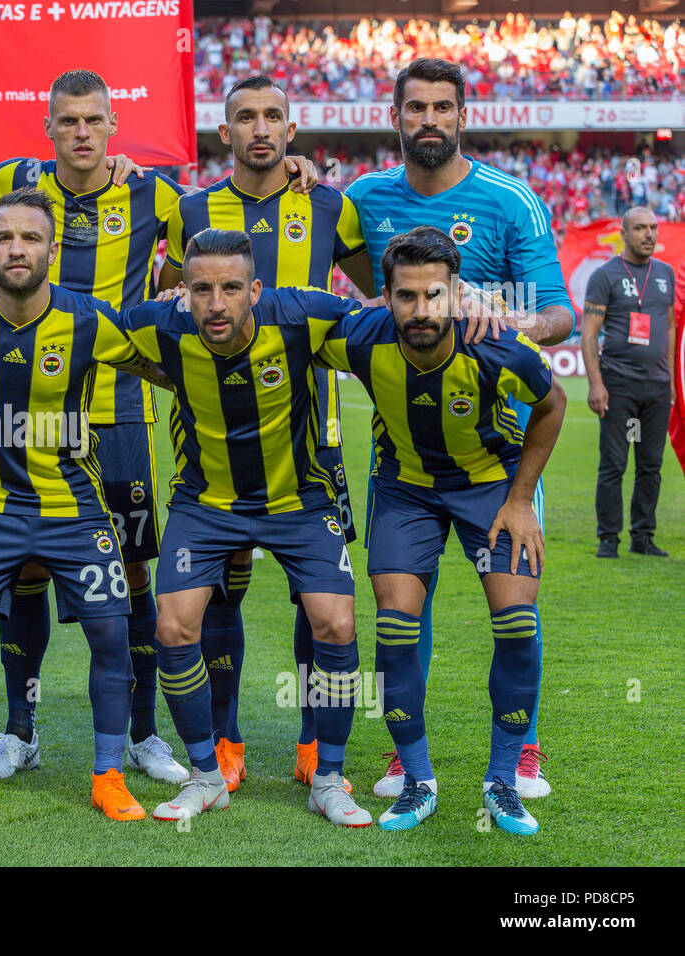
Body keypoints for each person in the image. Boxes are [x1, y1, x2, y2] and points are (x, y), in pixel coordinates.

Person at [345, 58, 576, 799]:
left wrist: (510, 321)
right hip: (404, 458)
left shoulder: (511, 202)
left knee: (514, 616)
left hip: (497, 457)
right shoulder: (364, 197)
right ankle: (404, 755)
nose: (431, 120)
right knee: (400, 612)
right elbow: (321, 260)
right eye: (417, 108)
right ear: (396, 118)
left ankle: (523, 747)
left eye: (444, 107)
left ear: (463, 116)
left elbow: (559, 313)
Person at [0, 188, 171, 821]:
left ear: (52, 251)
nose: (17, 248)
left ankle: (109, 772)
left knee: (112, 633)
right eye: (3, 238)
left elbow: (172, 369)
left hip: (75, 507)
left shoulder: (90, 318)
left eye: (30, 238)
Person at [159, 74, 371, 793]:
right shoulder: (190, 210)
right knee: (217, 596)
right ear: (225, 132)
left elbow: (376, 291)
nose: (259, 127)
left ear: (290, 128)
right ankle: (224, 740)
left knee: (319, 606)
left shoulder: (329, 205)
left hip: (311, 442)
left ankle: (316, 744)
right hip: (212, 439)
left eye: (272, 116)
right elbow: (165, 292)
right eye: (244, 116)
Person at [317, 227, 566, 834]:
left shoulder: (498, 344)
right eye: (405, 296)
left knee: (517, 625)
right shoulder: (360, 336)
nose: (420, 311)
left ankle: (503, 781)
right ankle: (417, 779)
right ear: (386, 296)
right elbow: (290, 323)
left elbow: (553, 403)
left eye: (434, 295)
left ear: (458, 293)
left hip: (492, 488)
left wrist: (520, 500)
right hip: (405, 490)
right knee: (396, 629)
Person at [122, 228, 370, 826]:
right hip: (206, 502)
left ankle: (328, 776)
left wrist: (459, 302)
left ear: (254, 290)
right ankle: (207, 774)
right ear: (183, 291)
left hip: (297, 501)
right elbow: (83, 325)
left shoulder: (303, 315)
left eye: (230, 288)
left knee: (336, 622)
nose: (215, 303)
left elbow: (383, 322)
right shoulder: (162, 324)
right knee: (175, 626)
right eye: (200, 289)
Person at [582, 206, 676, 558]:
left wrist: (668, 380)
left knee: (650, 464)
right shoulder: (604, 275)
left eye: (653, 227)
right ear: (623, 233)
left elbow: (668, 326)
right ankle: (608, 539)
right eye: (640, 228)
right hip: (619, 386)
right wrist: (596, 384)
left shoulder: (664, 273)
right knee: (614, 464)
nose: (649, 234)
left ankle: (643, 536)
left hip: (655, 388)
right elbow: (590, 334)